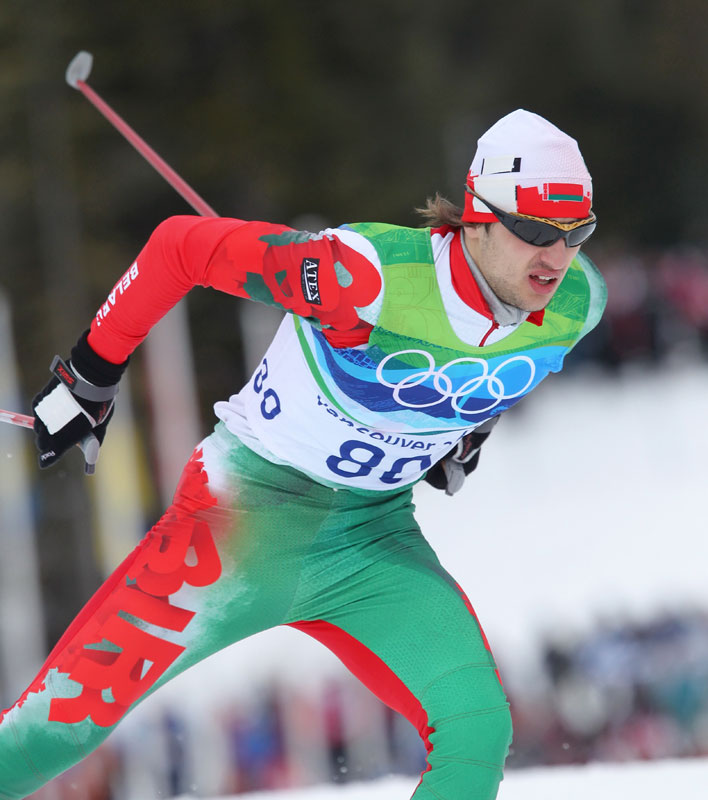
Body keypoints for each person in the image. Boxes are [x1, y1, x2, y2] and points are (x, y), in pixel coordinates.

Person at [0, 109, 606, 799]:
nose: (556, 257)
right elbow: (179, 248)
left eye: (575, 233)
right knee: (52, 737)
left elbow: (501, 368)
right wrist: (90, 376)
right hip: (240, 525)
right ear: (476, 217)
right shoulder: (360, 275)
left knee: (476, 730)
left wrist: (461, 433)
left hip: (370, 540)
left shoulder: (576, 305)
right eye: (535, 232)